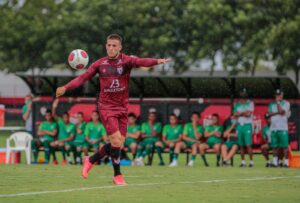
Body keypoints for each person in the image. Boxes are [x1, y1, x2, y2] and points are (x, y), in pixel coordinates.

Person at [55, 34, 170, 185]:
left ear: (120, 47)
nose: (111, 48)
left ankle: (91, 159)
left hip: (122, 107)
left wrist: (156, 61)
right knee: (115, 140)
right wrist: (65, 87)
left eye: (114, 45)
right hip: (106, 107)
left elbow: (141, 61)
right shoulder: (100, 64)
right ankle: (117, 175)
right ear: (106, 46)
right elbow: (83, 78)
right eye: (109, 45)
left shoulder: (127, 61)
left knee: (119, 143)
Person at [268, 89, 290, 167]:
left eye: (279, 95)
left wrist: (278, 103)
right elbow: (269, 114)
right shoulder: (271, 104)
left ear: (282, 95)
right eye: (276, 95)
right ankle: (275, 162)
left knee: (284, 146)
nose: (278, 97)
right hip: (273, 128)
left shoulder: (286, 103)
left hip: (283, 128)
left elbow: (282, 112)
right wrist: (276, 112)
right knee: (274, 146)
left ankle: (286, 162)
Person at [233, 88, 255, 167]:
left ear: (246, 94)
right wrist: (243, 113)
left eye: (244, 93)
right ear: (240, 94)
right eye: (242, 93)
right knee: (241, 145)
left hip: (247, 125)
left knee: (248, 145)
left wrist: (240, 113)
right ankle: (243, 162)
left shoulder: (250, 103)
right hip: (240, 125)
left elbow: (248, 114)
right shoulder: (237, 104)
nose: (243, 94)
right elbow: (235, 114)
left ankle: (251, 162)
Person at [51, 99, 76, 165]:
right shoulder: (60, 122)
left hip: (68, 142)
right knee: (52, 144)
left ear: (68, 117)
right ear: (62, 118)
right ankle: (54, 160)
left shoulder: (72, 125)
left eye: (66, 117)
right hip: (59, 141)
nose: (65, 118)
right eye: (64, 117)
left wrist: (62, 140)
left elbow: (71, 137)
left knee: (64, 145)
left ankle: (64, 160)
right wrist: (54, 106)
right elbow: (53, 114)